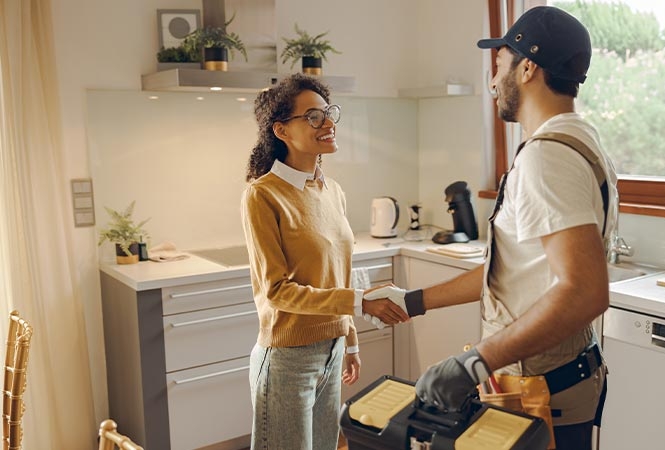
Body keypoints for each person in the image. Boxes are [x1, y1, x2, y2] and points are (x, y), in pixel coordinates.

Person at [365, 6, 618, 450]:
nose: (492, 82)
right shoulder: (580, 138)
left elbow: (585, 292)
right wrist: (413, 301)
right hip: (556, 379)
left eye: (498, 66)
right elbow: (515, 276)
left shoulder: (547, 157)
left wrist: (474, 363)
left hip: (544, 389)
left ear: (527, 67)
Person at [242, 73, 410, 450]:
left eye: (329, 113)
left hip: (331, 352)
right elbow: (277, 292)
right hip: (287, 361)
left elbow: (341, 273)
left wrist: (349, 341)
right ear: (281, 130)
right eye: (314, 117)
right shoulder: (263, 196)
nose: (329, 123)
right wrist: (360, 303)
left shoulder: (332, 191)